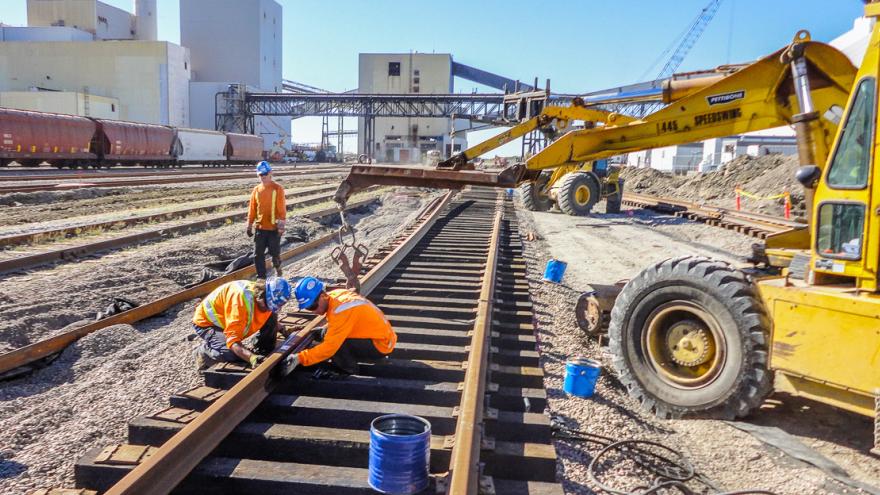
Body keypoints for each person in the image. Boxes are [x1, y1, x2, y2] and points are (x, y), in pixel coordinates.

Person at [287, 277, 397, 375]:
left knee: (338, 342)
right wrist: (322, 331)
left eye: (313, 306)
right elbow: (337, 324)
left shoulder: (341, 310)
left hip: (381, 345)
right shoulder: (336, 295)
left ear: (323, 296)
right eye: (308, 308)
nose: (313, 311)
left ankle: (348, 370)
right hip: (381, 336)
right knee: (328, 332)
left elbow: (329, 348)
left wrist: (300, 358)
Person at [192, 277, 291, 370]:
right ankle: (203, 352)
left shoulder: (266, 298)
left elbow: (270, 316)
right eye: (267, 306)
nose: (268, 309)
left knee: (271, 314)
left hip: (228, 317)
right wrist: (251, 358)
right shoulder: (240, 305)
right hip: (207, 323)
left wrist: (282, 329)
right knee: (230, 353)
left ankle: (262, 349)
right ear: (260, 296)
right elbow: (233, 341)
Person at [247, 161, 287, 279]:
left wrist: (280, 227)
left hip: (273, 229)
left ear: (270, 173)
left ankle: (277, 267)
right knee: (258, 254)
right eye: (261, 175)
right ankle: (261, 278)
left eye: (265, 174)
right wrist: (249, 224)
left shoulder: (277, 188)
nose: (263, 177)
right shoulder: (256, 190)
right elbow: (252, 208)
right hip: (260, 228)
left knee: (274, 252)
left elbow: (281, 209)